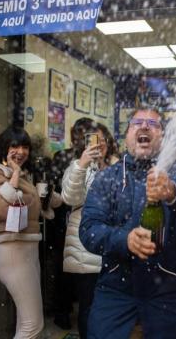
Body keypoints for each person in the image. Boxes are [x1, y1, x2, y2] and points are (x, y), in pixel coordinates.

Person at [79, 106, 176, 339]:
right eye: (137, 123)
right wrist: (125, 240)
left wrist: (173, 192)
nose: (144, 126)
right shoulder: (107, 178)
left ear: (162, 136)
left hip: (174, 299)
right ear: (127, 136)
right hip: (117, 298)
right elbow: (89, 229)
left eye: (152, 124)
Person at [0, 126, 61, 339]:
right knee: (33, 325)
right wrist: (14, 175)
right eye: (14, 145)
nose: (21, 151)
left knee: (25, 323)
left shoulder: (26, 175)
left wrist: (47, 195)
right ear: (4, 148)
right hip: (13, 253)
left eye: (25, 146)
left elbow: (41, 205)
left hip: (27, 252)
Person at [60, 122, 119, 338]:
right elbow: (69, 197)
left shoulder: (119, 166)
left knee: (114, 308)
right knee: (88, 309)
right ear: (83, 144)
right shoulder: (77, 167)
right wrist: (83, 163)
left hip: (114, 247)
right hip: (84, 249)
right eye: (92, 139)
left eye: (102, 139)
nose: (98, 144)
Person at [51, 117, 95, 330]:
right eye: (80, 134)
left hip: (83, 225)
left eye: (88, 134)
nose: (83, 139)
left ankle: (66, 311)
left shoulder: (102, 161)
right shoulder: (66, 158)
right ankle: (63, 312)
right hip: (65, 220)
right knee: (66, 272)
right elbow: (63, 192)